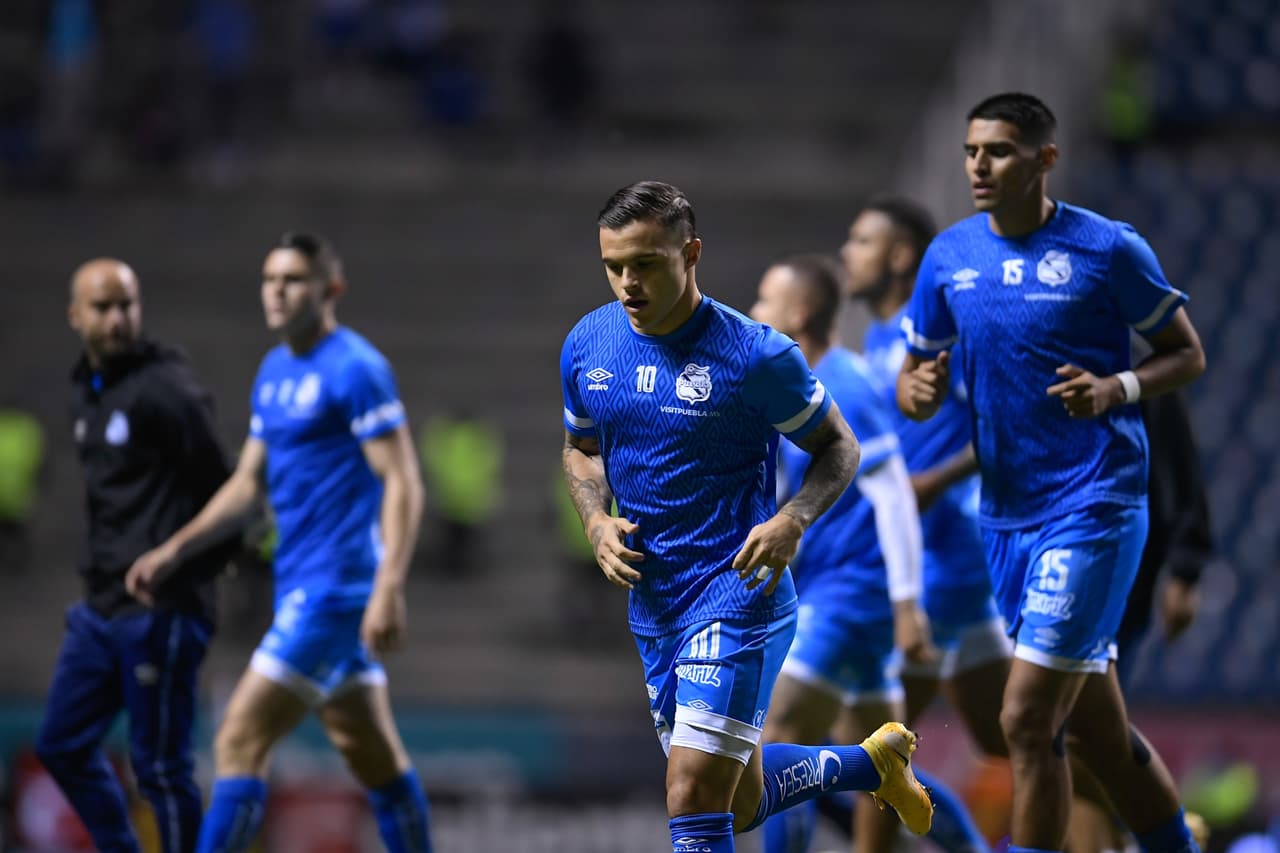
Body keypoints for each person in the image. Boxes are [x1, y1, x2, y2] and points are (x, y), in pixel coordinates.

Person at [560, 181, 933, 853]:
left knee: (691, 796)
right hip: (657, 603)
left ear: (690, 252)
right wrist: (594, 520)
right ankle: (871, 765)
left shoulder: (755, 356)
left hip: (738, 588)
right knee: (742, 801)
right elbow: (581, 449)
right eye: (614, 265)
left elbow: (839, 447)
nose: (627, 283)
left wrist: (793, 518)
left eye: (645, 263)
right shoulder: (589, 345)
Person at [897, 93, 1206, 853]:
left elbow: (1186, 351)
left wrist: (1116, 388)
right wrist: (919, 389)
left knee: (1026, 719)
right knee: (1098, 736)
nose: (978, 165)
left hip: (1094, 503)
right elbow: (913, 375)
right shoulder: (950, 256)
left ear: (1044, 159)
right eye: (972, 151)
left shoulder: (1107, 250)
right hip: (1005, 517)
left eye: (998, 151)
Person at [127, 233, 433, 853]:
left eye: (293, 279)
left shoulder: (355, 368)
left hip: (336, 591)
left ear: (331, 289)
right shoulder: (274, 371)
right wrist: (174, 549)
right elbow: (248, 484)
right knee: (372, 757)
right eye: (269, 279)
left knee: (239, 737)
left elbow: (402, 479)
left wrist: (389, 585)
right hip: (303, 584)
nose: (276, 291)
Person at [749, 255, 988, 853]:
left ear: (798, 314)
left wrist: (908, 608)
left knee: (777, 740)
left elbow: (894, 497)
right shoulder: (802, 388)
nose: (753, 313)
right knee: (882, 773)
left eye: (764, 300)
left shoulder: (845, 384)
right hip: (845, 594)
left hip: (852, 597)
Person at [36, 258, 233, 853]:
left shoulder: (165, 388)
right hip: (101, 606)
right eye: (103, 307)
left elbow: (225, 488)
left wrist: (190, 568)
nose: (119, 319)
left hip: (162, 610)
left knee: (162, 770)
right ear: (75, 316)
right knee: (61, 744)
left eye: (128, 304)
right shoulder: (85, 391)